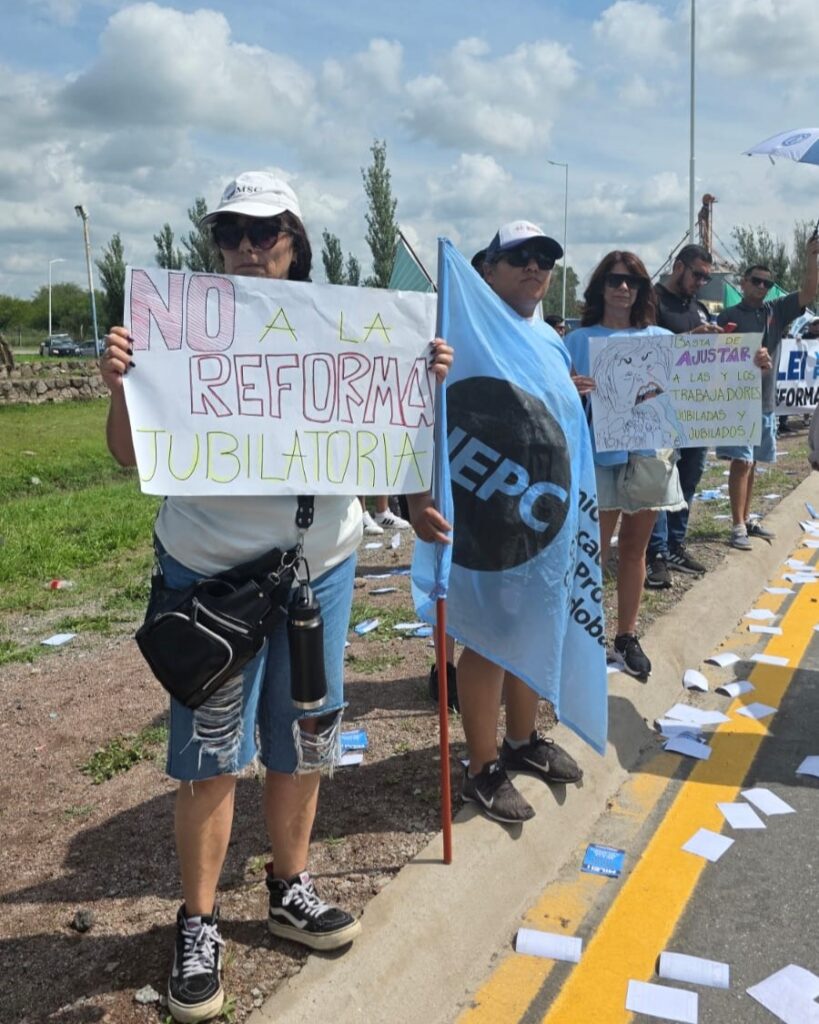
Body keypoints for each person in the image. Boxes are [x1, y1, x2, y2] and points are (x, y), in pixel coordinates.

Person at [101, 171, 453, 1024]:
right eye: (231, 233)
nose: (248, 248)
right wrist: (120, 385)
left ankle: (289, 887)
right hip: (209, 576)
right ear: (215, 245)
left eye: (266, 232)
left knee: (306, 736)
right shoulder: (177, 331)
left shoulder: (345, 326)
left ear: (295, 243)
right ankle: (198, 921)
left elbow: (379, 439)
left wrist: (420, 386)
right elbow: (127, 455)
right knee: (210, 753)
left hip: (318, 570)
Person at [411, 220, 584, 826]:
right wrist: (416, 498)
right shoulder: (456, 334)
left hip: (542, 516)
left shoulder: (550, 339)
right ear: (487, 269)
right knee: (488, 637)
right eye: (519, 258)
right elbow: (421, 415)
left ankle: (521, 739)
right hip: (485, 511)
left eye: (544, 258)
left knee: (532, 624)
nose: (534, 267)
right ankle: (482, 766)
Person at [565, 252, 685, 681]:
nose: (622, 288)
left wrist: (749, 362)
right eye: (614, 280)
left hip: (647, 458)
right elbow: (552, 395)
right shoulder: (577, 341)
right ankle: (585, 638)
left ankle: (627, 636)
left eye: (631, 282)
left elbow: (699, 382)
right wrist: (569, 388)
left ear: (641, 290)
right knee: (591, 552)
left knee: (635, 549)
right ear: (600, 286)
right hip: (597, 459)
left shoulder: (661, 337)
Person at [716, 242, 819, 551]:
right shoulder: (727, 316)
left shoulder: (775, 311)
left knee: (754, 463)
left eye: (767, 283)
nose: (761, 287)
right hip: (737, 401)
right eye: (756, 281)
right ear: (743, 283)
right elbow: (715, 359)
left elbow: (808, 292)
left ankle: (746, 519)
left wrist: (811, 257)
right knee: (741, 462)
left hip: (764, 401)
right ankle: (737, 526)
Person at [645, 244, 722, 589]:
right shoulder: (652, 301)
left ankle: (676, 544)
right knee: (661, 482)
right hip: (660, 409)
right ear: (678, 266)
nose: (702, 282)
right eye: (698, 275)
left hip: (696, 410)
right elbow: (642, 350)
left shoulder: (699, 308)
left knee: (688, 480)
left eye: (707, 278)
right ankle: (657, 553)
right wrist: (690, 339)